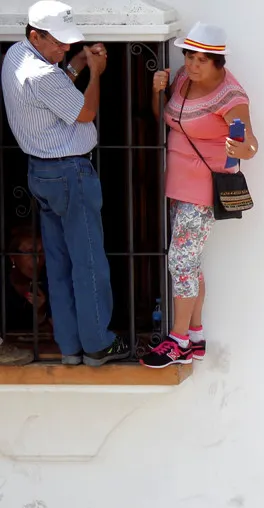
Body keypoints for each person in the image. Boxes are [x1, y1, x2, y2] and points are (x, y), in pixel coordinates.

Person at [0, 0, 129, 366]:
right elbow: (84, 112)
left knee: (57, 262)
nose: (65, 48)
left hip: (42, 173)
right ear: (35, 35)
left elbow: (55, 93)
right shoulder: (45, 75)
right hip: (70, 173)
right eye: (58, 43)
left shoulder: (15, 57)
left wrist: (76, 65)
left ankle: (70, 347)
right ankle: (99, 344)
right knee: (88, 260)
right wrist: (97, 72)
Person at [141, 21, 258, 368]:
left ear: (218, 61)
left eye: (200, 59)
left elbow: (251, 145)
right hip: (178, 185)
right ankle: (194, 337)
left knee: (180, 261)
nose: (192, 64)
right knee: (190, 264)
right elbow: (163, 118)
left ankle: (176, 342)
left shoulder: (231, 97)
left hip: (203, 191)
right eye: (189, 55)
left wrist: (240, 146)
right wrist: (155, 91)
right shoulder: (181, 79)